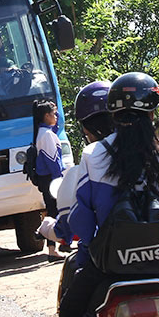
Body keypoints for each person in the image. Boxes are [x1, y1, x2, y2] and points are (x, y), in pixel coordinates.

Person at [59, 72, 159, 317]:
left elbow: (80, 219)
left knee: (70, 309)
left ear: (113, 113)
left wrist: (94, 248)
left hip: (108, 264)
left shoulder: (93, 154)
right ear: (152, 113)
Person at [38, 81, 114, 245]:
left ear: (86, 127)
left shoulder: (91, 156)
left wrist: (47, 228)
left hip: (110, 252)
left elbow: (71, 224)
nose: (56, 116)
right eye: (53, 113)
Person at [32, 99, 66, 261]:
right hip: (51, 179)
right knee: (57, 211)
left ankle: (55, 246)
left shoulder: (44, 132)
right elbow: (53, 161)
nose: (56, 116)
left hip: (47, 179)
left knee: (54, 211)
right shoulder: (46, 135)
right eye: (54, 113)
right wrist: (59, 180)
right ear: (46, 116)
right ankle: (46, 236)